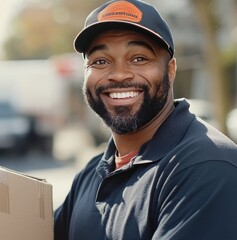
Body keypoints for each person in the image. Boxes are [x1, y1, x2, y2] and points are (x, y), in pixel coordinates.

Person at [53, 0, 237, 239]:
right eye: (100, 61)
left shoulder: (205, 166)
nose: (119, 74)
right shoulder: (92, 173)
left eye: (139, 58)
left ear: (170, 71)